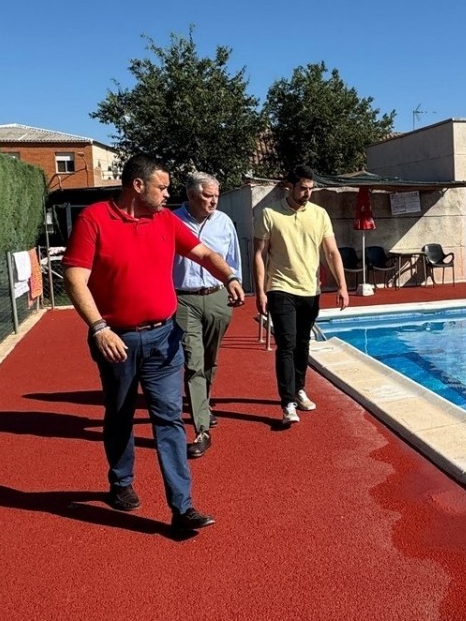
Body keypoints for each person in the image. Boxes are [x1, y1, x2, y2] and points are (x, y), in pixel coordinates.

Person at [62, 153, 245, 535]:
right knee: (120, 414)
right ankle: (121, 480)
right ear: (138, 185)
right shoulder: (93, 219)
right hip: (117, 341)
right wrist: (99, 328)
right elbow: (75, 279)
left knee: (168, 420)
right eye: (162, 186)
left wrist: (228, 275)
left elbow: (203, 253)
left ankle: (183, 508)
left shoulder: (165, 220)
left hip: (164, 337)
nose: (167, 193)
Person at [252, 167, 349, 426]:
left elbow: (331, 252)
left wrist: (342, 285)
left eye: (311, 188)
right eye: (303, 188)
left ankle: (299, 388)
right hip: (280, 287)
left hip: (310, 290)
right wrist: (260, 290)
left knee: (303, 343)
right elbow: (259, 254)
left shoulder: (320, 215)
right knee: (287, 344)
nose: (307, 193)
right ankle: (287, 402)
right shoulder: (269, 213)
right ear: (290, 187)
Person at [172, 172, 241, 459]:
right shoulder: (172, 221)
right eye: (207, 195)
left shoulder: (224, 222)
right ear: (191, 195)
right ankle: (202, 428)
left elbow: (233, 259)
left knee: (210, 360)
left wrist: (234, 282)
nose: (213, 200)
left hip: (217, 297)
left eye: (216, 195)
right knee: (194, 361)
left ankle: (204, 404)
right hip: (183, 299)